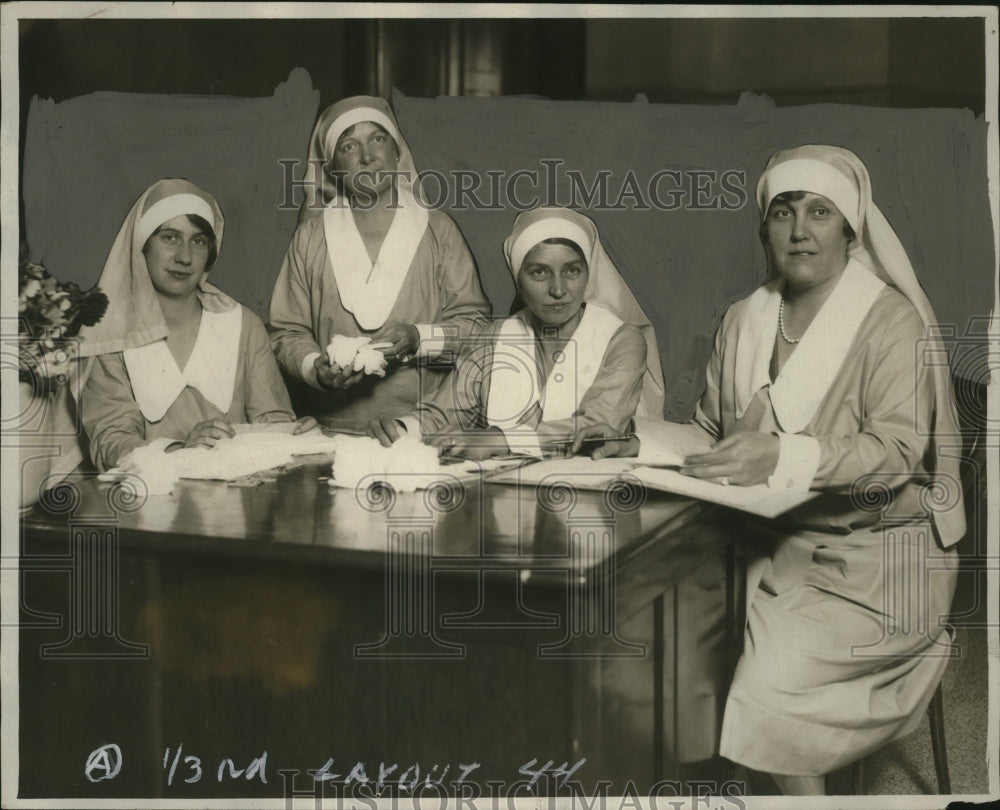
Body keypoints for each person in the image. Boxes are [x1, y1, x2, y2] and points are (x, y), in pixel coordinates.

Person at [575, 145, 965, 794]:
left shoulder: (889, 322)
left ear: (850, 228)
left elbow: (896, 453)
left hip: (877, 556)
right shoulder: (742, 319)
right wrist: (636, 444)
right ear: (765, 229)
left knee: (770, 681)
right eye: (783, 212)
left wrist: (784, 453)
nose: (800, 229)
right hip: (759, 543)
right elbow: (709, 430)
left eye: (820, 211)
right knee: (644, 633)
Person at [368, 206, 665, 459]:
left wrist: (501, 440)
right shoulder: (496, 337)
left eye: (572, 271)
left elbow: (597, 428)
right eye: (539, 272)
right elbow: (446, 411)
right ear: (518, 279)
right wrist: (403, 428)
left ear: (589, 273)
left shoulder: (623, 341)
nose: (558, 289)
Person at [268, 95, 492, 425]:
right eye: (349, 146)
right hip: (334, 431)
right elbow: (287, 332)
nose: (368, 157)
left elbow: (477, 327)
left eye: (377, 139)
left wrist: (418, 337)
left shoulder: (438, 231)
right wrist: (315, 366)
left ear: (397, 150)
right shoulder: (310, 238)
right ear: (333, 168)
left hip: (424, 430)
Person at [78, 178, 306, 471]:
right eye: (169, 237)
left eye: (198, 241)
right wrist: (180, 452)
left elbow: (272, 423)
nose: (185, 257)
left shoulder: (244, 325)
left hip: (238, 504)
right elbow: (110, 441)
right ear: (142, 245)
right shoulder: (109, 334)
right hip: (146, 501)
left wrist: (295, 434)